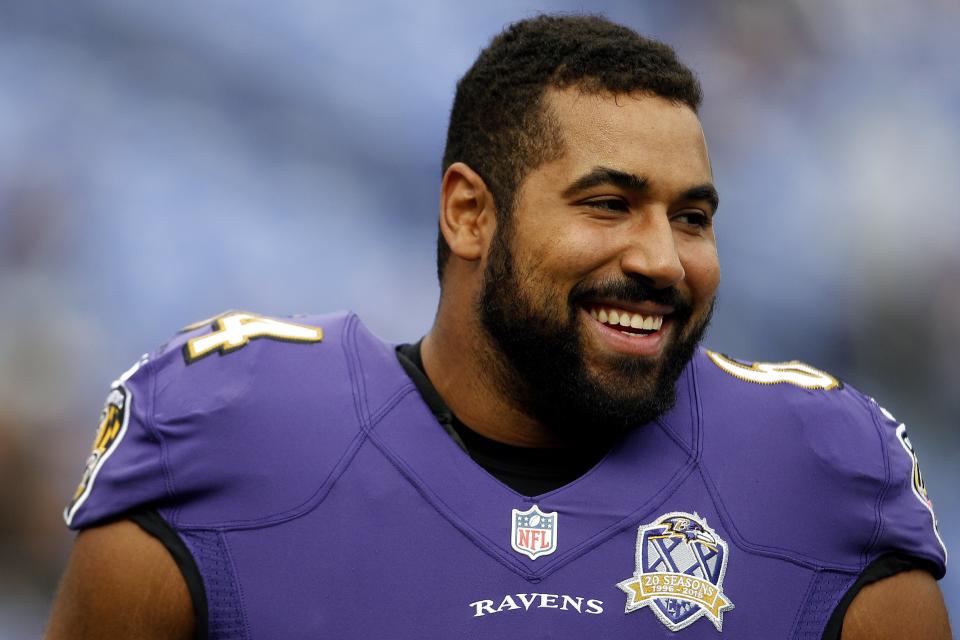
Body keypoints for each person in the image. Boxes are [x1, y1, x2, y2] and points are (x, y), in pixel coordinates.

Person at [46, 14, 949, 639]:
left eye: (692, 218)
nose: (665, 260)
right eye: (609, 204)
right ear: (470, 214)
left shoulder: (826, 475)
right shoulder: (223, 435)